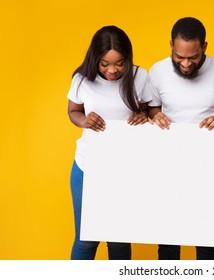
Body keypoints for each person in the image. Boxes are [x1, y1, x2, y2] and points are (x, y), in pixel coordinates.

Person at [148, 17, 214, 260]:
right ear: (171, 45)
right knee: (169, 237)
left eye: (192, 57)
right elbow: (150, 108)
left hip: (209, 164)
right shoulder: (157, 71)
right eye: (179, 56)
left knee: (205, 236)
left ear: (204, 47)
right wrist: (156, 114)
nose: (185, 63)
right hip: (168, 163)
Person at [67, 25, 152, 260]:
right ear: (95, 59)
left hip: (125, 168)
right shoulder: (82, 78)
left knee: (119, 240)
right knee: (85, 239)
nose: (112, 70)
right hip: (87, 167)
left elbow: (148, 111)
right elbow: (73, 111)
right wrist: (84, 120)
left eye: (119, 63)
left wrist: (143, 117)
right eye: (104, 64)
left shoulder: (139, 76)